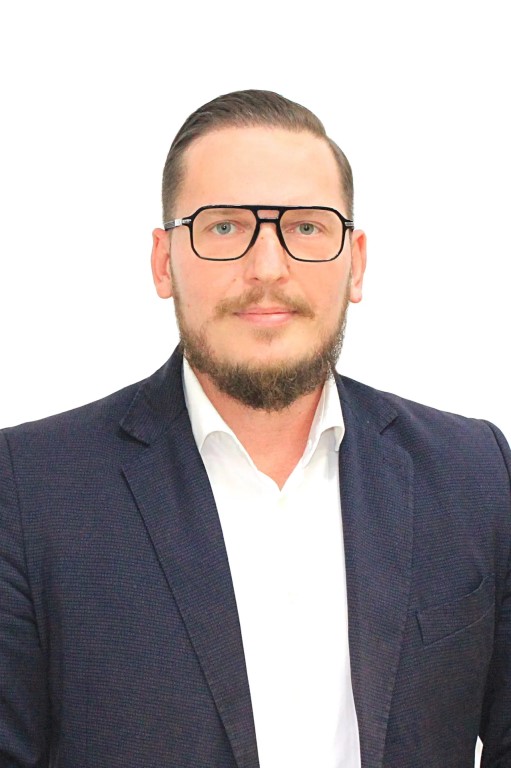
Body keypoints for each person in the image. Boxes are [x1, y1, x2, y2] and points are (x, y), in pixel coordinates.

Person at [0, 90, 509, 768]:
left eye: (306, 227)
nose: (267, 268)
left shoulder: (475, 473)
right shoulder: (30, 492)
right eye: (223, 227)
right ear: (163, 261)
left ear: (355, 262)